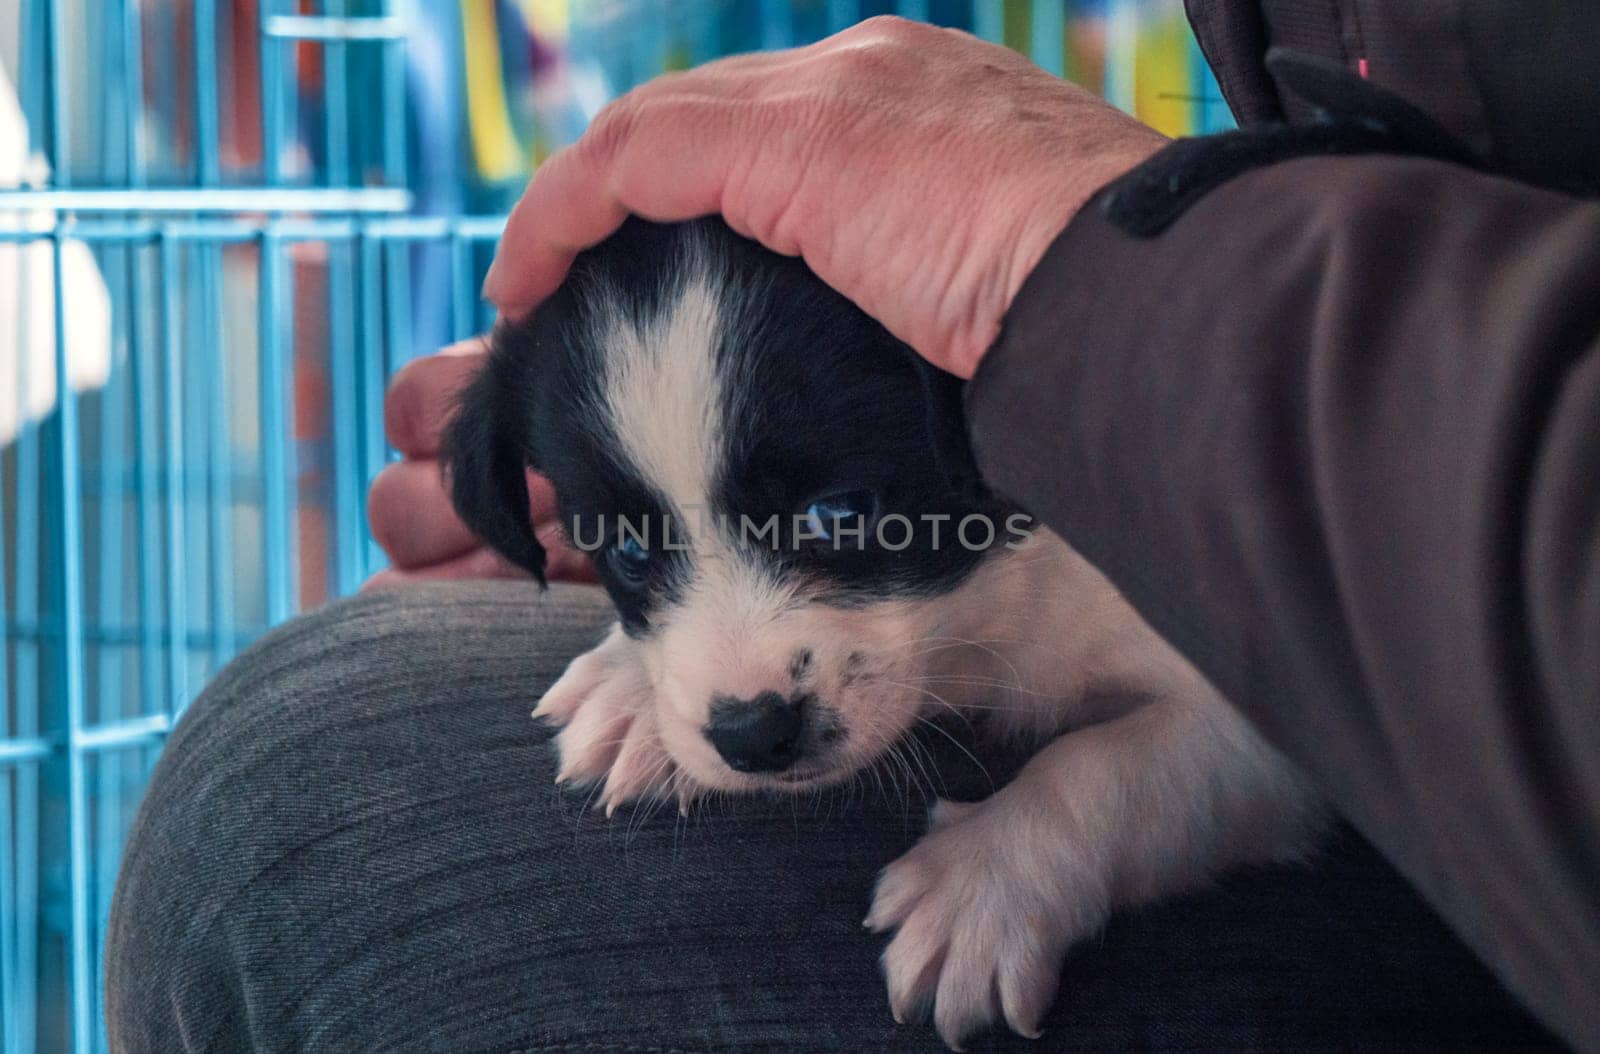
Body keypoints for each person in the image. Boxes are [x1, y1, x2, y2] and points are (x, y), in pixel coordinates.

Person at [107, 9, 1597, 1052]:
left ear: (973, 383)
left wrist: (1046, 843)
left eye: (828, 514)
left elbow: (1265, 734)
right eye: (641, 551)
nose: (739, 679)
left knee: (288, 812)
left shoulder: (1078, 499)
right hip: (1442, 501)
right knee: (293, 753)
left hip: (1496, 816)